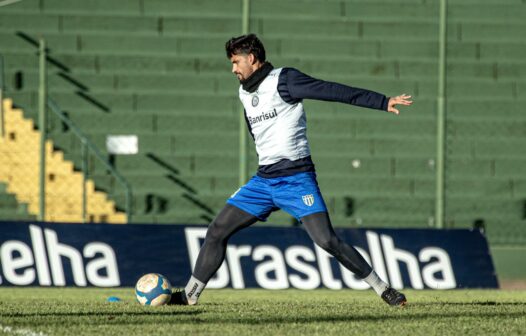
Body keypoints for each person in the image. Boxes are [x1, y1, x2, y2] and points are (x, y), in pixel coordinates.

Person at [172, 34, 412, 306]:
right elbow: (256, 131)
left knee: (327, 241)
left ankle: (383, 289)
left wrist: (382, 101)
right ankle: (188, 296)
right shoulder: (243, 92)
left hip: (297, 180)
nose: (233, 69)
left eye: (236, 62)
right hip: (263, 182)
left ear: (251, 58)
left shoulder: (285, 80)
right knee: (216, 231)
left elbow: (332, 90)